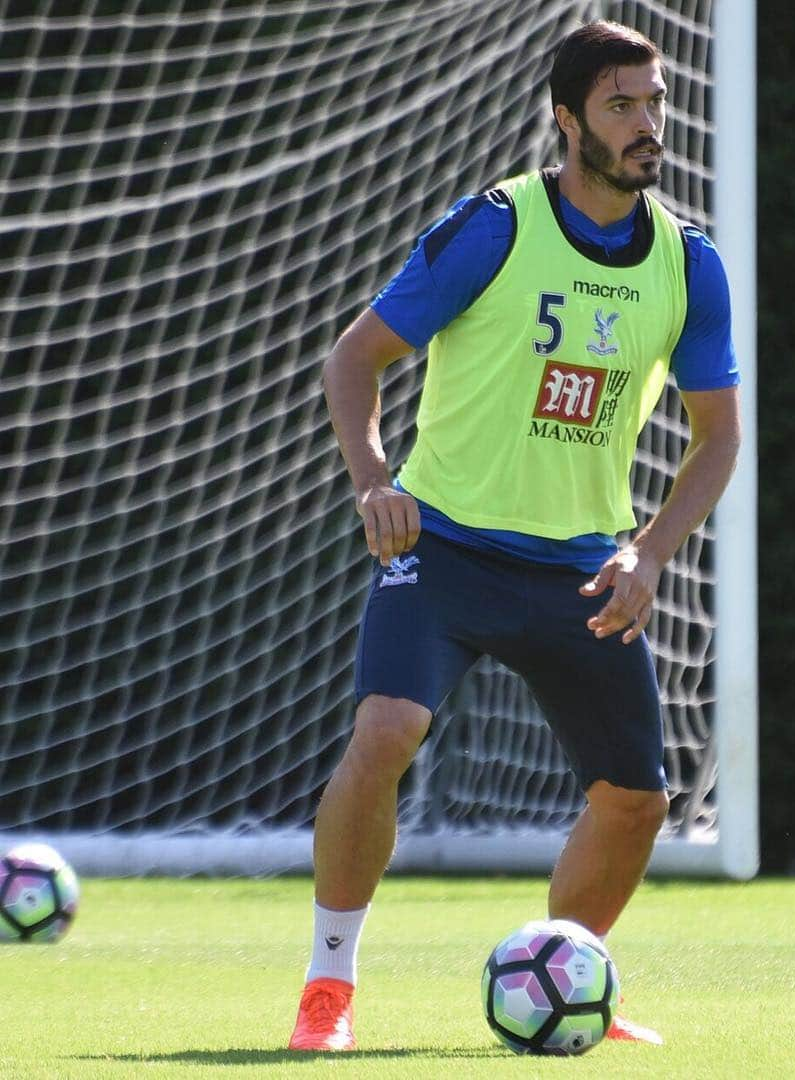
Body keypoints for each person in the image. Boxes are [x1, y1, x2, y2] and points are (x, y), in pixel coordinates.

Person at [288, 20, 741, 1051]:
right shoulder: (494, 226)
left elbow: (718, 440)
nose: (646, 127)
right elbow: (355, 361)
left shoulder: (689, 265)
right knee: (387, 732)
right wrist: (373, 483)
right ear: (567, 117)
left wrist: (650, 553)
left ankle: (562, 978)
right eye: (621, 106)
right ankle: (328, 987)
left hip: (585, 568)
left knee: (635, 804)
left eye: (653, 104)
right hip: (445, 549)